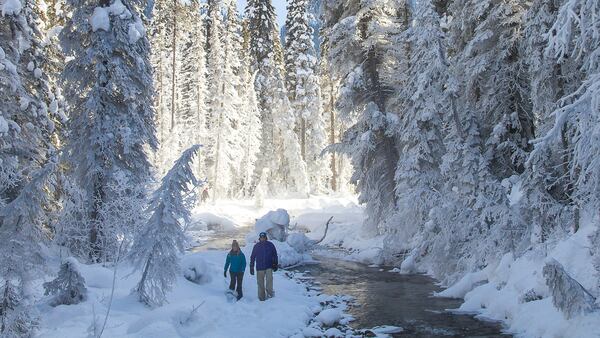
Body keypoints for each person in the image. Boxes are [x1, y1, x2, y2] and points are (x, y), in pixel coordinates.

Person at [250, 232, 278, 301]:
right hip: (260, 267)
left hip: (269, 266)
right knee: (260, 284)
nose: (263, 238)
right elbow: (253, 257)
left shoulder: (270, 245)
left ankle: (270, 295)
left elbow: (274, 255)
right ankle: (261, 298)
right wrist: (251, 266)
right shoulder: (256, 246)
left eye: (264, 237)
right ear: (260, 238)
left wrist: (275, 263)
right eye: (261, 237)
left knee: (269, 282)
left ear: (266, 237)